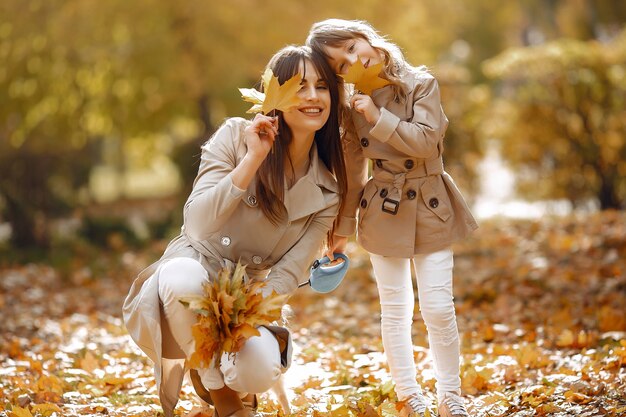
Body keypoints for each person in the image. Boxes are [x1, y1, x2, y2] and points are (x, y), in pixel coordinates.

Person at [123, 45, 347, 417]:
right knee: (183, 280)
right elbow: (197, 223)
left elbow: (290, 271)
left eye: (322, 87)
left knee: (259, 368)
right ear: (274, 93)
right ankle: (217, 388)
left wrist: (246, 314)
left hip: (251, 289)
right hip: (197, 262)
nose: (312, 96)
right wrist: (253, 158)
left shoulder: (328, 189)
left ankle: (231, 375)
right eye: (299, 86)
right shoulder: (234, 135)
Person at [307, 19, 478, 417]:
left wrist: (378, 117)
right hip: (384, 207)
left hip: (431, 202)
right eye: (342, 65)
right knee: (396, 309)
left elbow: (425, 141)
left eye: (352, 46)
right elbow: (353, 174)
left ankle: (450, 394)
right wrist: (342, 230)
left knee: (438, 306)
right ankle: (409, 394)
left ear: (364, 36)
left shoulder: (420, 83)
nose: (354, 59)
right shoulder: (351, 109)